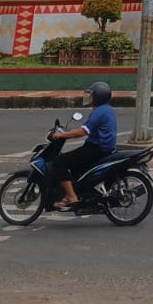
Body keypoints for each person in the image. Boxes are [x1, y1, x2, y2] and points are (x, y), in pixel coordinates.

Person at [50, 82, 118, 211]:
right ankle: (78, 192)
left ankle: (71, 197)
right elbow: (87, 128)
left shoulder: (99, 112)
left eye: (91, 95)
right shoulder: (107, 109)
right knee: (75, 166)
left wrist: (61, 135)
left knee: (59, 162)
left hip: (97, 149)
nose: (89, 97)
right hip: (102, 148)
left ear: (98, 97)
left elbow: (82, 132)